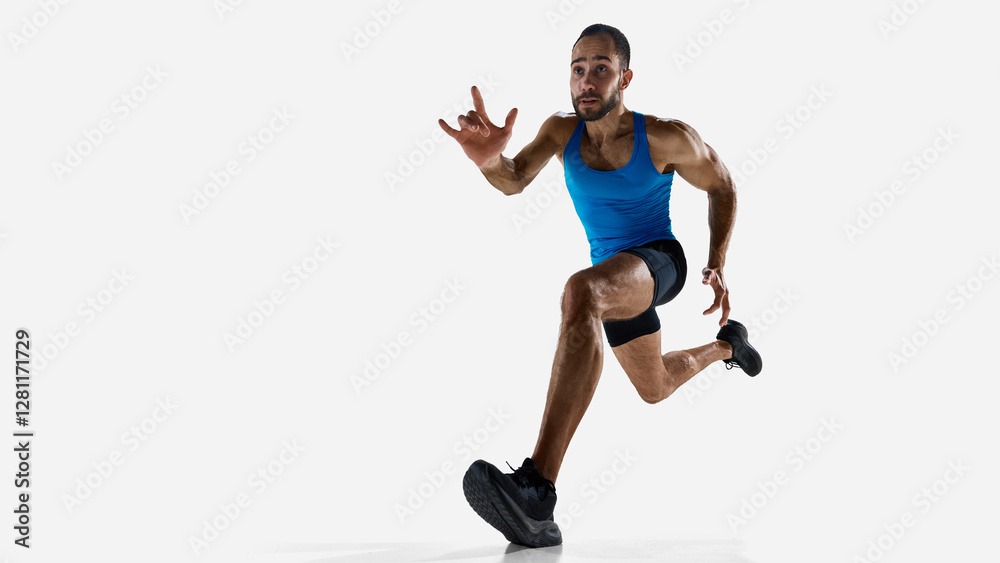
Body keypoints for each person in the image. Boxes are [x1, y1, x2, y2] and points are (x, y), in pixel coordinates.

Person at [438, 23, 762, 548]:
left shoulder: (663, 135)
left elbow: (721, 184)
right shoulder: (560, 131)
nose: (586, 81)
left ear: (624, 77)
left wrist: (716, 262)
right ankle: (730, 345)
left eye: (601, 69)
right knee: (653, 386)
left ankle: (537, 490)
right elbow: (514, 178)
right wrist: (490, 161)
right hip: (613, 280)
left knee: (580, 292)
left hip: (660, 262)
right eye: (578, 69)